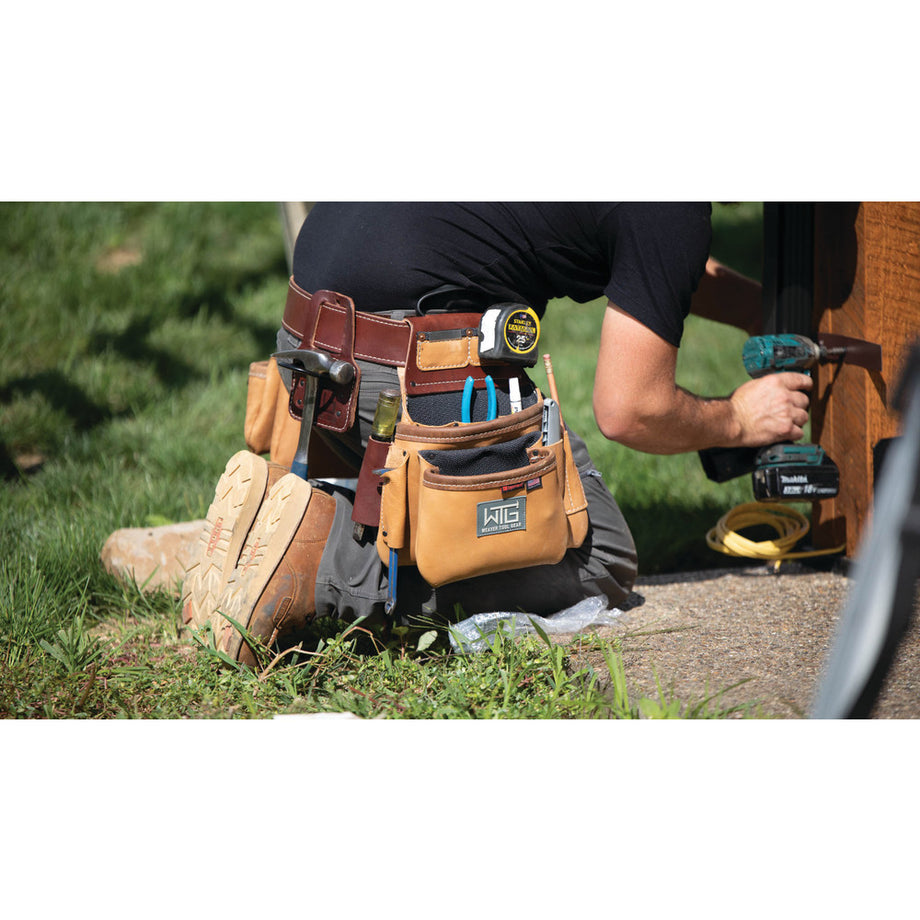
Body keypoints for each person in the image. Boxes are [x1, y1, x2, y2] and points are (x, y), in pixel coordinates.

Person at [181, 203, 811, 666]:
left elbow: (656, 253)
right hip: (416, 366)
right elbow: (631, 409)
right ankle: (322, 565)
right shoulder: (669, 202)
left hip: (307, 344)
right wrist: (737, 418)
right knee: (596, 555)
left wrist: (762, 310)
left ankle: (274, 513)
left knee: (406, 504)